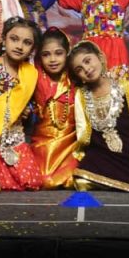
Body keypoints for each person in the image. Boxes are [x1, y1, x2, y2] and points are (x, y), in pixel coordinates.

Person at [68, 41, 129, 193]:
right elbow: (83, 135)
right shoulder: (82, 95)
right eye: (79, 69)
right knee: (81, 179)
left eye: (88, 61)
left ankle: (110, 182)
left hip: (128, 153)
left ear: (101, 58)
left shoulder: (126, 87)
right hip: (101, 155)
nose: (86, 69)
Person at [0, 17, 43, 191]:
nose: (19, 46)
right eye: (14, 39)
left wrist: (28, 110)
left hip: (13, 132)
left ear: (32, 49)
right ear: (4, 40)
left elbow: (31, 105)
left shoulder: (30, 73)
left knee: (31, 181)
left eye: (27, 43)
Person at [31, 28, 78, 189]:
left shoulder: (76, 80)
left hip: (71, 147)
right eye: (46, 54)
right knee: (43, 180)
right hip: (41, 146)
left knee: (71, 178)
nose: (53, 60)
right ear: (39, 57)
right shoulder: (34, 79)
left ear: (67, 53)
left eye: (58, 53)